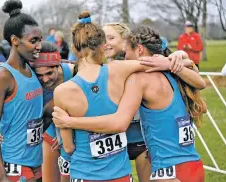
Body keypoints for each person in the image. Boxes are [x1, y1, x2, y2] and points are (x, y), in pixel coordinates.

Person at [53, 25, 206, 182]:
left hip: (167, 172)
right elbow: (201, 95)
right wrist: (179, 59)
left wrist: (69, 122)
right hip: (192, 165)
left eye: (125, 53)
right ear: (102, 46)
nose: (124, 58)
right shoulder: (173, 72)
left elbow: (118, 123)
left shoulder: (138, 79)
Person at [0, 0, 44, 181]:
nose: (38, 46)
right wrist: (2, 175)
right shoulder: (3, 77)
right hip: (15, 163)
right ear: (14, 40)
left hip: (36, 161)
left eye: (40, 40)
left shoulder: (30, 68)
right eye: (33, 41)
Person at [103, 22, 150, 182]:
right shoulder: (99, 68)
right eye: (103, 38)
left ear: (125, 41)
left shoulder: (138, 64)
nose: (106, 42)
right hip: (113, 141)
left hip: (141, 139)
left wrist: (180, 56)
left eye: (111, 38)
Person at [30, 41, 74, 182]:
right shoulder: (30, 80)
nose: (45, 79)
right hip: (48, 133)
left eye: (49, 73)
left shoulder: (75, 72)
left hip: (75, 132)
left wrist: (65, 135)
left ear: (58, 65)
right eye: (40, 75)